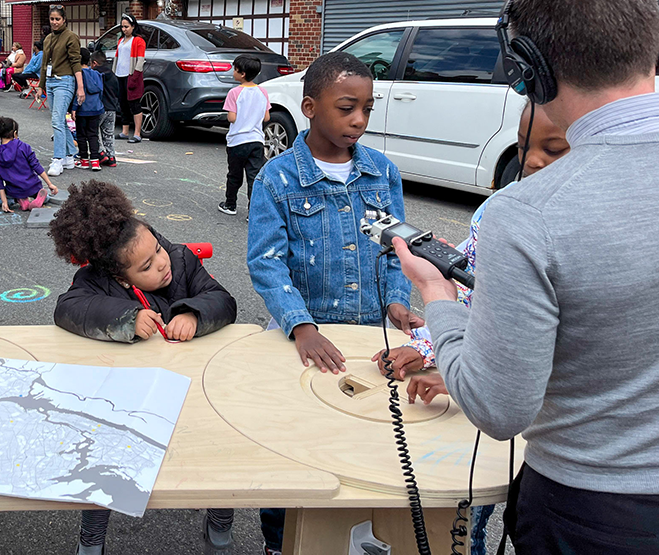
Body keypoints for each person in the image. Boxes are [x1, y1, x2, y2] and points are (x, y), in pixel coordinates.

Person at [392, 0, 659, 554]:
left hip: (594, 515)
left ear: (531, 70)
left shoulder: (527, 216)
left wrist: (438, 297)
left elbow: (498, 409)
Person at [368, 102, 570, 555]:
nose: (533, 160)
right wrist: (433, 347)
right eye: (524, 147)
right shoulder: (499, 209)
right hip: (511, 419)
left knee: (466, 527)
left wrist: (465, 373)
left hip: (548, 437)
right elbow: (475, 290)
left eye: (554, 149)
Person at [247, 51, 421, 555]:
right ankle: (279, 541)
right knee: (294, 447)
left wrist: (397, 302)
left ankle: (351, 536)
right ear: (309, 107)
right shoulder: (277, 179)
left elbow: (397, 250)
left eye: (368, 108)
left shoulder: (382, 173)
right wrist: (301, 326)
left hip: (371, 341)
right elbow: (267, 262)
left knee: (365, 446)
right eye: (347, 108)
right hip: (308, 341)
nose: (359, 120)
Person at [50, 180, 238, 555]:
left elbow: (223, 300)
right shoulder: (97, 283)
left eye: (157, 248)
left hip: (193, 384)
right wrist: (126, 316)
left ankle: (220, 517)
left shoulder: (182, 259)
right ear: (121, 278)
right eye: (147, 266)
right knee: (104, 453)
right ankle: (92, 537)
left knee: (218, 445)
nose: (161, 263)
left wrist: (192, 313)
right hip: (129, 392)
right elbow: (67, 308)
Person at [219, 55, 270, 217]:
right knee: (253, 176)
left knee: (234, 175)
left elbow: (232, 118)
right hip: (256, 140)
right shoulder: (262, 91)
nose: (232, 71)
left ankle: (230, 204)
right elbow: (267, 117)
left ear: (242, 73)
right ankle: (252, 212)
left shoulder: (234, 92)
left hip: (237, 141)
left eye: (234, 69)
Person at [40, 5, 84, 176]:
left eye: (58, 19)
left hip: (65, 81)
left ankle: (57, 159)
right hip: (50, 82)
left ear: (64, 19)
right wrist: (40, 86)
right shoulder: (48, 38)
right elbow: (44, 64)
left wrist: (80, 87)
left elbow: (76, 62)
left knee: (57, 120)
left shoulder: (71, 37)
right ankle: (69, 156)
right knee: (59, 120)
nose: (55, 22)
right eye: (52, 19)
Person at [0, 115, 58, 211]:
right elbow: (36, 166)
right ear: (15, 133)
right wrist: (49, 184)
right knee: (46, 198)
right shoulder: (24, 147)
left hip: (14, 190)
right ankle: (38, 198)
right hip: (32, 186)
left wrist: (4, 202)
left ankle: (19, 199)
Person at [114, 14, 146, 143]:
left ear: (133, 26)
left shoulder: (138, 41)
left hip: (131, 75)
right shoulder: (121, 41)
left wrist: (135, 76)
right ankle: (125, 131)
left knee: (134, 103)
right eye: (122, 27)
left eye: (126, 26)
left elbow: (140, 60)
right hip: (120, 74)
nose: (124, 29)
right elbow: (118, 58)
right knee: (123, 103)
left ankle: (137, 133)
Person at [72, 48, 105, 171]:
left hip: (82, 108)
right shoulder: (97, 74)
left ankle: (84, 160)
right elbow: (101, 91)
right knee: (93, 134)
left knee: (81, 135)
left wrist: (74, 108)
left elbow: (78, 93)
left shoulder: (79, 75)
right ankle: (95, 161)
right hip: (96, 108)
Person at [91, 50, 118, 168]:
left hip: (99, 107)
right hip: (112, 108)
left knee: (93, 131)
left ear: (95, 63)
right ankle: (111, 156)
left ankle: (101, 153)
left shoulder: (96, 74)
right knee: (108, 133)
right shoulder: (112, 75)